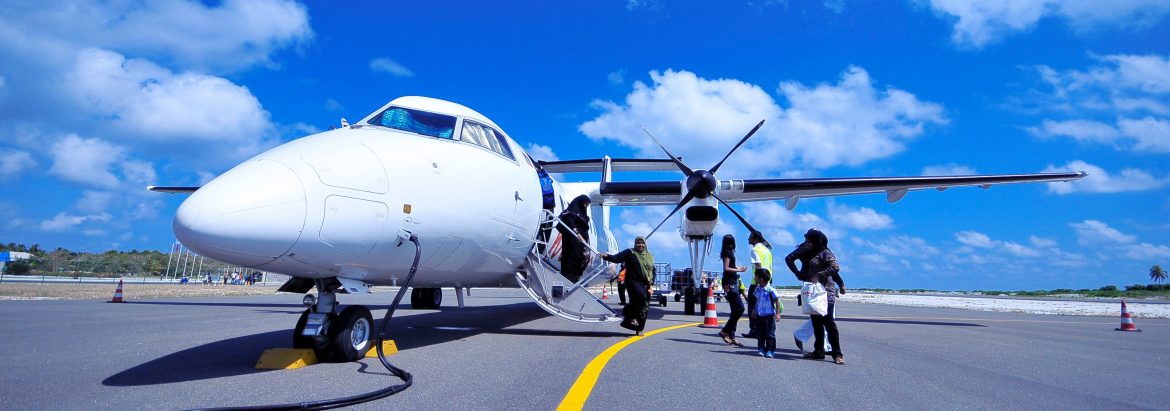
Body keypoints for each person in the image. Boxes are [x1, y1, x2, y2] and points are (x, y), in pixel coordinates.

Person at [785, 228, 846, 365]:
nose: (806, 242)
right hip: (813, 292)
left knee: (829, 323)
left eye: (808, 240)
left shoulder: (825, 253)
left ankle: (837, 353)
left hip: (826, 292)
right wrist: (798, 274)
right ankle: (818, 351)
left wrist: (819, 275)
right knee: (816, 322)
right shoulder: (807, 252)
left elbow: (835, 268)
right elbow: (789, 259)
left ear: (815, 241)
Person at [600, 236, 654, 336]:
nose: (640, 245)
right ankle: (629, 315)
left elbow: (652, 271)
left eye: (642, 243)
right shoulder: (630, 253)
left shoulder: (649, 256)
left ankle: (638, 328)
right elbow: (616, 258)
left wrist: (651, 285)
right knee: (640, 298)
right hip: (632, 282)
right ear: (635, 244)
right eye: (638, 243)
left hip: (646, 283)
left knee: (644, 306)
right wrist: (606, 256)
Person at [716, 234, 748, 346]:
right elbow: (726, 268)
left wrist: (738, 268)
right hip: (730, 283)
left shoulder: (728, 253)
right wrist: (739, 270)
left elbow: (730, 266)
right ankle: (725, 331)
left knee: (735, 310)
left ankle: (731, 336)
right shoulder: (727, 253)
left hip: (731, 282)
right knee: (740, 308)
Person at [741, 230, 772, 339]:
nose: (748, 239)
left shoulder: (755, 250)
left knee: (753, 307)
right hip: (768, 281)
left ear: (756, 239)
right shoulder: (767, 250)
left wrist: (758, 280)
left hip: (757, 282)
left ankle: (754, 330)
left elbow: (758, 265)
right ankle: (763, 330)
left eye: (750, 237)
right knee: (763, 307)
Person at [557, 195, 591, 283]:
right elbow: (570, 226)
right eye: (585, 204)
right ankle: (568, 284)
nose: (586, 207)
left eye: (587, 205)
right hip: (572, 245)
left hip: (581, 246)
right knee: (570, 264)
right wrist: (578, 234)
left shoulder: (584, 216)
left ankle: (574, 281)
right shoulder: (570, 213)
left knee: (580, 262)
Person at [751, 269, 782, 358]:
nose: (754, 278)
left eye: (756, 276)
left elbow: (777, 300)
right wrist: (754, 310)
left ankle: (770, 350)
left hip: (769, 315)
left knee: (770, 334)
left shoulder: (770, 289)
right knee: (760, 333)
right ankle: (761, 348)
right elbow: (757, 300)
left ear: (761, 278)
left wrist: (778, 313)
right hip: (760, 315)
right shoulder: (757, 289)